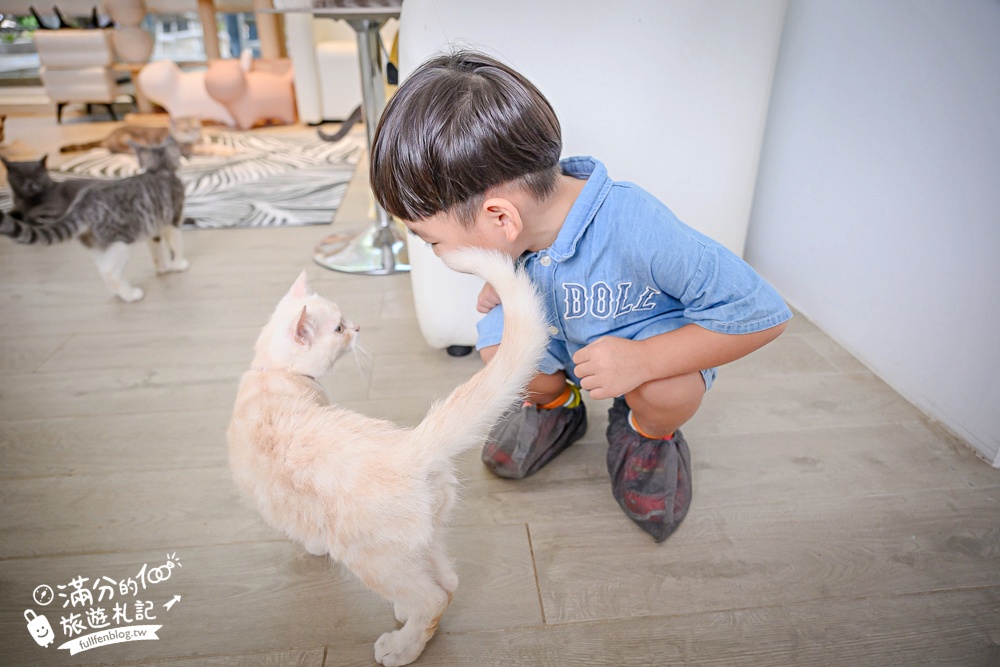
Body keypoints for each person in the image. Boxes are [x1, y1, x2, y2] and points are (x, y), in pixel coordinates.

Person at [370, 50, 792, 542]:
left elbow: (762, 313)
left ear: (502, 218)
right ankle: (558, 407)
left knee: (666, 393)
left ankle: (647, 432)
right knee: (498, 353)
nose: (435, 253)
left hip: (639, 350)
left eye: (433, 241)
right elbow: (519, 253)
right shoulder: (519, 226)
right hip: (559, 334)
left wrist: (644, 359)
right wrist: (503, 268)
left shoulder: (639, 227)